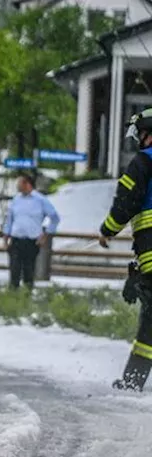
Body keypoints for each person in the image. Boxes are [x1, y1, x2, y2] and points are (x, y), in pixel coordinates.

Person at [98, 108, 152, 391]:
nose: (140, 140)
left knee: (150, 325)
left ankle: (132, 382)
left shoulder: (144, 162)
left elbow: (126, 202)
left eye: (142, 134)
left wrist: (107, 230)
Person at [1, 173, 60, 290]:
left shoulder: (40, 200)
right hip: (16, 240)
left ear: (27, 184)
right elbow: (9, 219)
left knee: (29, 271)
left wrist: (46, 234)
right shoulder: (16, 199)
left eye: (19, 182)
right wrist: (5, 236)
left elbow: (54, 217)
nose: (17, 185)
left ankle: (26, 298)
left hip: (32, 241)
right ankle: (13, 298)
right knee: (14, 271)